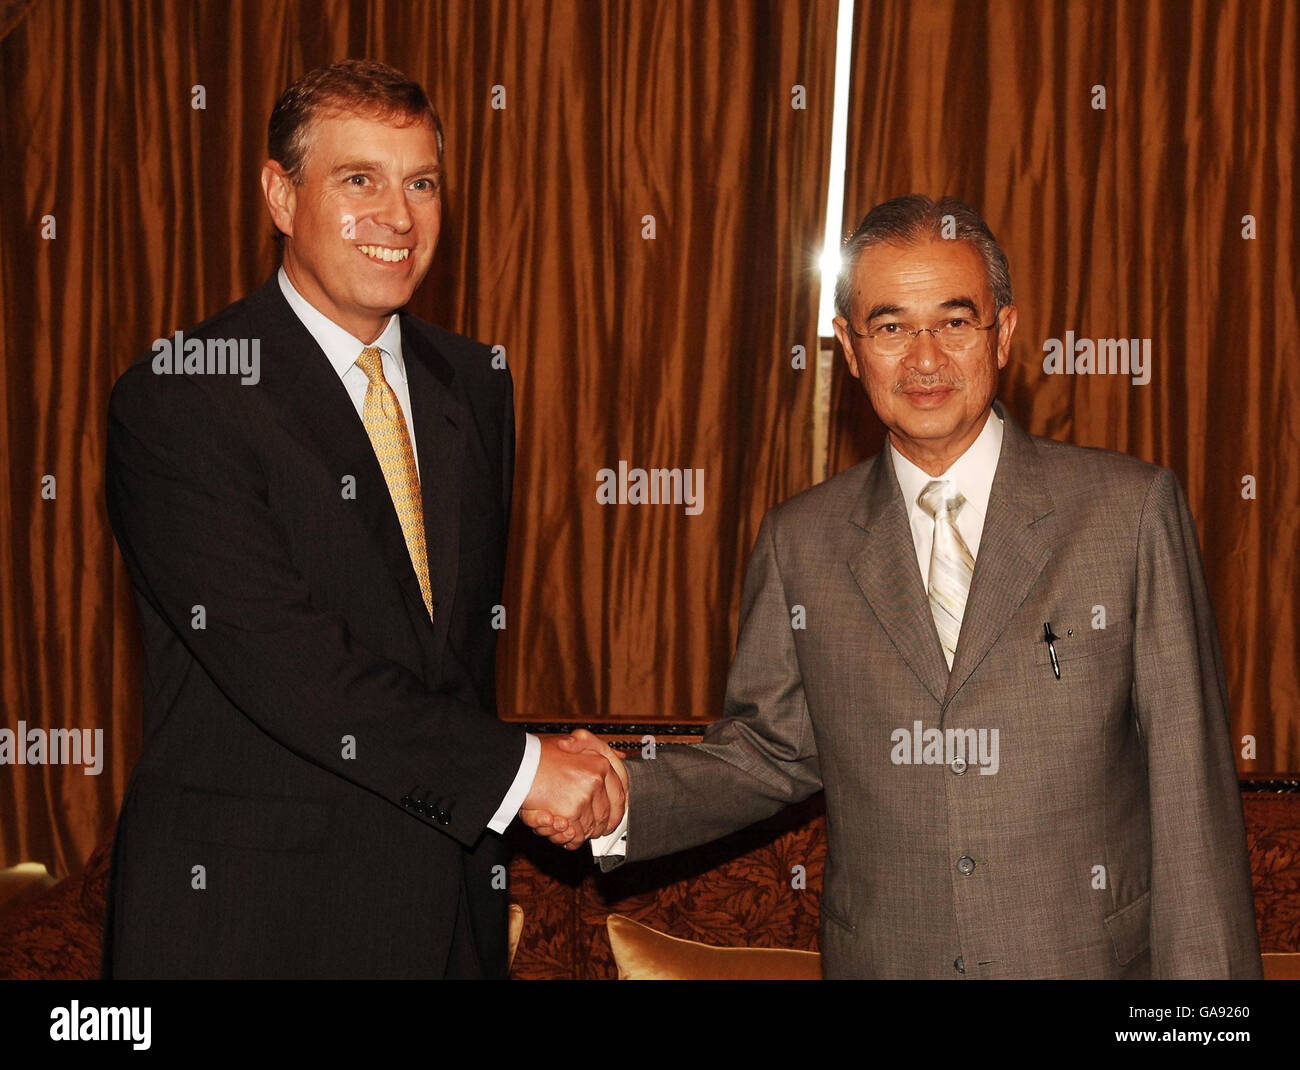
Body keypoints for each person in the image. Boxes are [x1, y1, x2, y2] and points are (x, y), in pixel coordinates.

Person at [525, 195, 1263, 980]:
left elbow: (1192, 796)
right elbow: (768, 751)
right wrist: (623, 797)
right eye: (890, 326)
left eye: (954, 322)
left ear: (1003, 332)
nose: (925, 359)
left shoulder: (1128, 512)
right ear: (848, 346)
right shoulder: (800, 541)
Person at [102, 59, 623, 979]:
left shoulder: (474, 384)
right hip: (251, 926)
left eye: (421, 182)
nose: (399, 216)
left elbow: (445, 664)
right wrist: (520, 772)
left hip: (446, 912)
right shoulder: (183, 396)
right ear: (278, 193)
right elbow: (289, 664)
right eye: (359, 180)